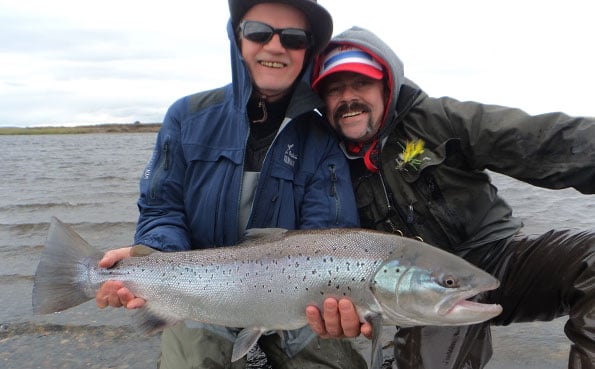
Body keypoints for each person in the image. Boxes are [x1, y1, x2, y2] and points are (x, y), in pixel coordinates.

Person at [94, 2, 369, 368]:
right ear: (237, 38)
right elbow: (162, 208)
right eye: (259, 32)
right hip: (198, 294)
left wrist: (337, 304)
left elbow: (329, 235)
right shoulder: (187, 117)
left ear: (308, 51)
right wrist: (152, 254)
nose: (275, 46)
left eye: (293, 38)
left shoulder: (321, 138)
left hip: (296, 301)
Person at [305, 26, 595, 369]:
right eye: (335, 89)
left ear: (386, 86)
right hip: (417, 296)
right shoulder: (322, 162)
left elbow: (539, 141)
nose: (348, 98)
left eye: (361, 84)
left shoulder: (436, 121)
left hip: (500, 261)